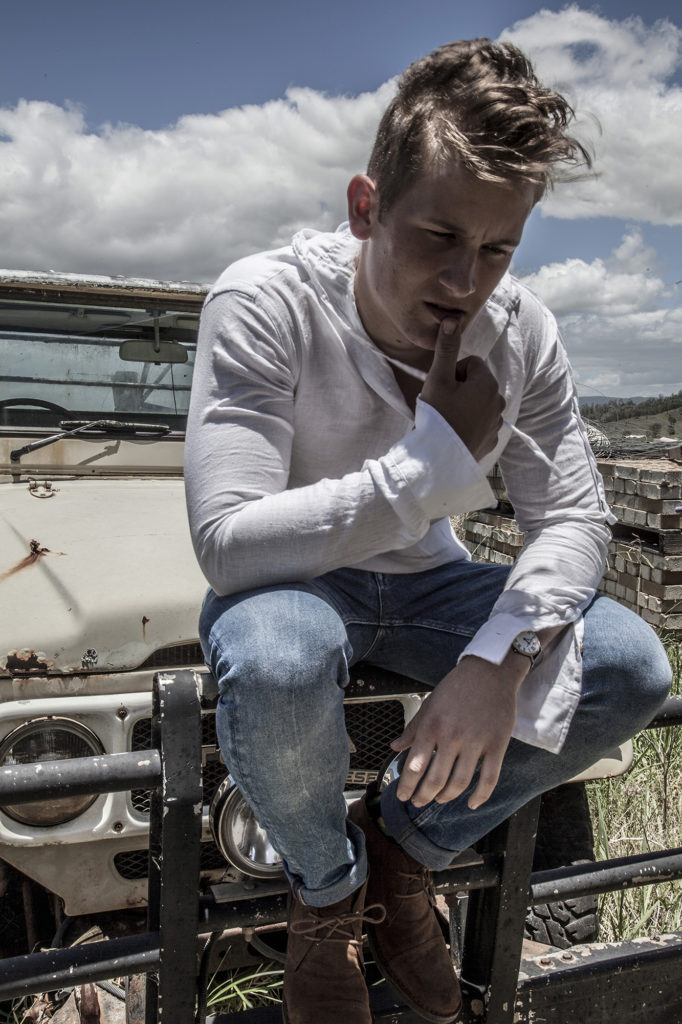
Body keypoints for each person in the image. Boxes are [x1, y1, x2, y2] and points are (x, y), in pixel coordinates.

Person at [185, 38, 671, 1024]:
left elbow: (572, 517)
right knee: (278, 657)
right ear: (366, 207)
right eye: (439, 235)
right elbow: (227, 542)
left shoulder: (520, 329)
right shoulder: (265, 299)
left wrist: (496, 663)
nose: (465, 281)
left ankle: (401, 857)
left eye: (497, 249)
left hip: (426, 587)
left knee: (630, 662)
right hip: (293, 585)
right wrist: (430, 468)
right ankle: (324, 891)